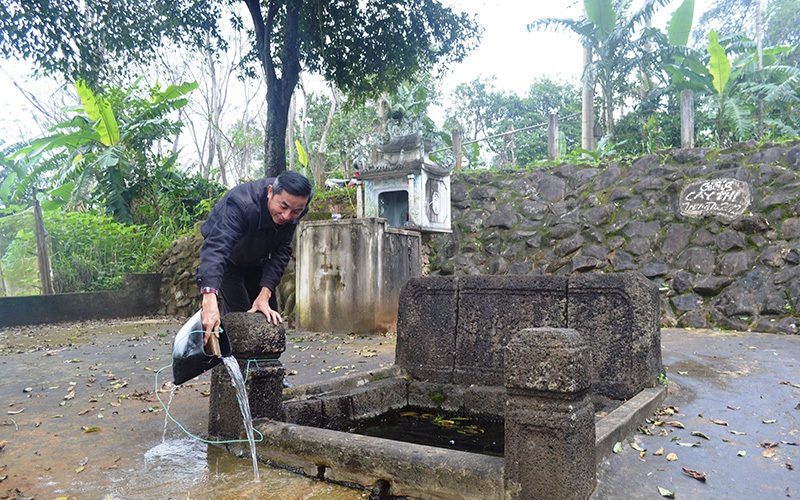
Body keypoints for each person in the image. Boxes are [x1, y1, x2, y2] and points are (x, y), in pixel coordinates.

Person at [196, 171, 313, 346]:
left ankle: (265, 369)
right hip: (229, 260)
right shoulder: (241, 204)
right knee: (242, 318)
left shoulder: (299, 207)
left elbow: (282, 251)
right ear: (270, 192)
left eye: (296, 211)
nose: (287, 216)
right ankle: (231, 365)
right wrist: (209, 297)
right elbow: (217, 249)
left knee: (269, 317)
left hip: (258, 257)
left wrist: (265, 294)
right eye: (283, 207)